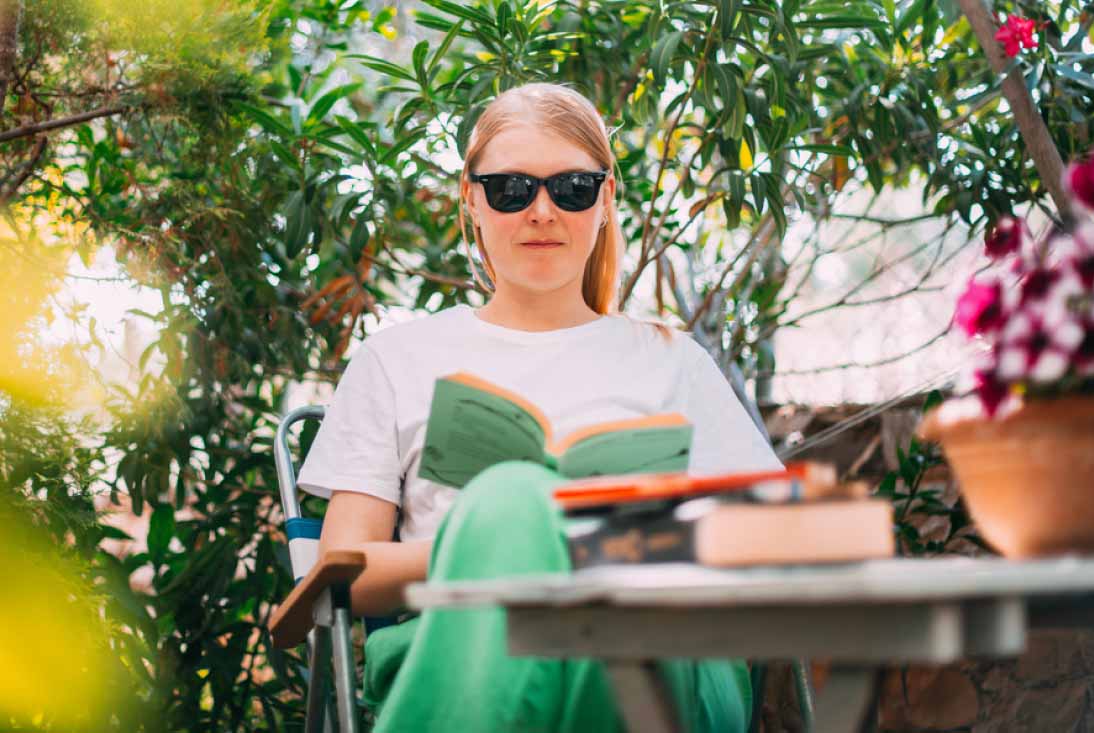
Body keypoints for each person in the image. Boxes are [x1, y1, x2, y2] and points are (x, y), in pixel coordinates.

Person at [296, 81, 783, 732]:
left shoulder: (674, 361)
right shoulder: (396, 360)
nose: (542, 211)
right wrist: (501, 541)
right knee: (512, 499)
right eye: (511, 189)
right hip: (468, 650)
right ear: (472, 200)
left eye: (573, 188)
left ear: (606, 200)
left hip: (667, 652)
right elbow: (344, 575)